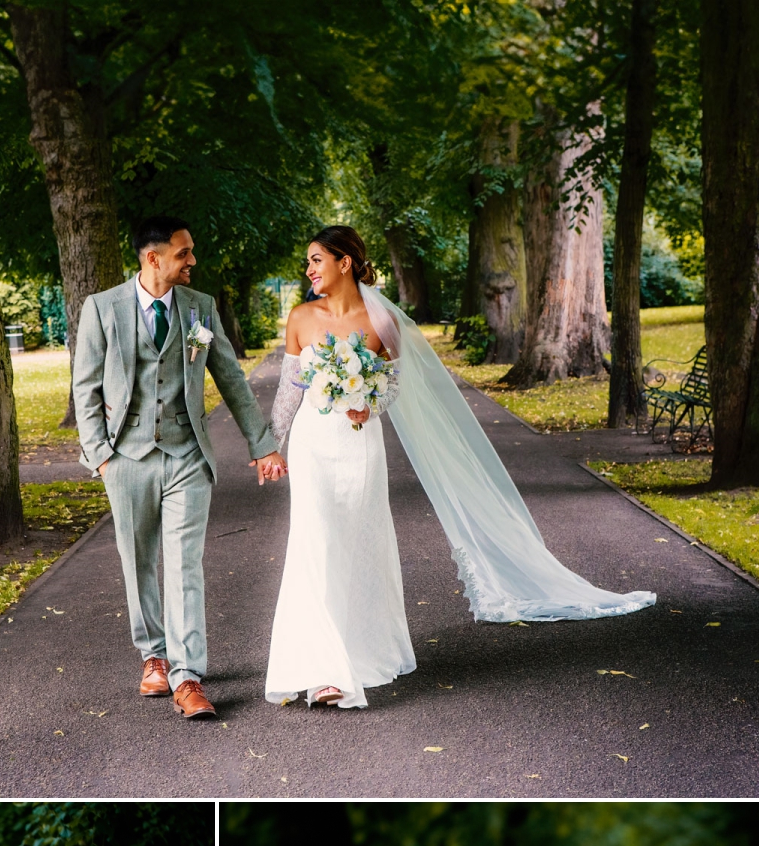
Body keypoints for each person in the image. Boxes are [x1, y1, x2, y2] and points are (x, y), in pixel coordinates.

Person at [264, 225, 655, 711]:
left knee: (358, 546)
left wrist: (370, 405)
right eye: (308, 262)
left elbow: (392, 387)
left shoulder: (383, 323)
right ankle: (323, 672)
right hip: (313, 448)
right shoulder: (301, 318)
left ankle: (360, 651)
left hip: (359, 448)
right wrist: (270, 447)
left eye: (317, 260)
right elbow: (289, 391)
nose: (309, 270)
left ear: (345, 262)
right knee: (314, 545)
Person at [72, 215, 286, 721]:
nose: (193, 261)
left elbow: (231, 378)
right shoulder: (102, 309)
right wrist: (100, 455)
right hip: (126, 458)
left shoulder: (200, 309)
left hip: (188, 455)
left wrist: (263, 444)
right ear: (154, 258)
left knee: (185, 563)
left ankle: (188, 676)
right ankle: (154, 656)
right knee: (139, 559)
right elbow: (86, 389)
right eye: (184, 253)